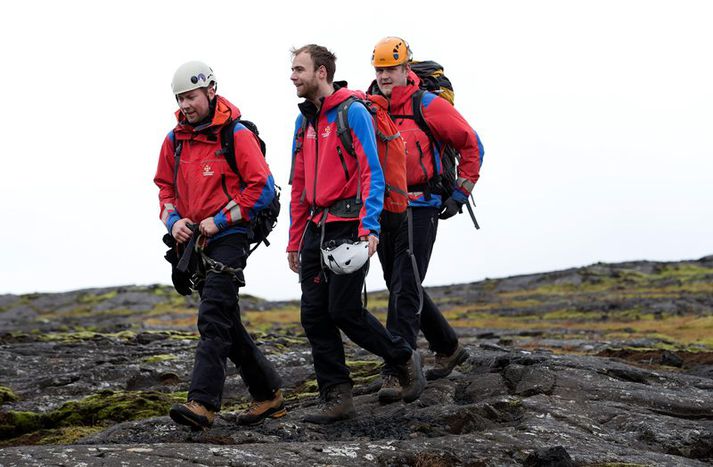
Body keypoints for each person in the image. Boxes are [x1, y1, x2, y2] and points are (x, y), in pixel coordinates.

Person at [288, 44, 425, 423]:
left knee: (344, 310)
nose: (293, 76)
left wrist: (370, 226)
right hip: (315, 228)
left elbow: (372, 173)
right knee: (314, 315)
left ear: (322, 73)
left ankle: (402, 357)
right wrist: (293, 239)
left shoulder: (354, 113)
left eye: (300, 69)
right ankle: (336, 397)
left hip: (349, 224)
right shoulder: (304, 121)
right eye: (292, 70)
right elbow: (299, 184)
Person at [154, 61, 285, 430]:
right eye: (180, 98)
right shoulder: (173, 140)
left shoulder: (236, 134)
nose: (186, 104)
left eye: (191, 96)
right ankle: (269, 394)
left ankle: (202, 404)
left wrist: (221, 220)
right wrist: (173, 221)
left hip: (230, 236)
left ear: (211, 91)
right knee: (227, 319)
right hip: (193, 241)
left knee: (212, 317)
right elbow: (164, 188)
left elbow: (260, 187)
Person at [368, 37, 484, 403]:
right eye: (380, 69)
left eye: (391, 69)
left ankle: (396, 368)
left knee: (404, 281)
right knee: (401, 280)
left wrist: (460, 192)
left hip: (422, 204)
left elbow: (472, 144)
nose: (385, 76)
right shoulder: (369, 107)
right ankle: (448, 346)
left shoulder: (428, 105)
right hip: (386, 206)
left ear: (406, 69)